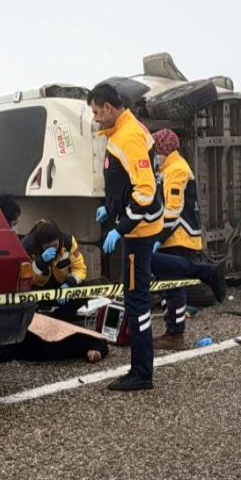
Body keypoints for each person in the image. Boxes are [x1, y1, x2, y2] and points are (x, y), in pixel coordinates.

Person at [89, 81, 165, 392]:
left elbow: (145, 191)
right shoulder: (121, 132)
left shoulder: (129, 136)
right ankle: (140, 369)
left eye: (96, 112)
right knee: (138, 294)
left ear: (109, 108)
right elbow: (125, 182)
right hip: (138, 227)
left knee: (137, 302)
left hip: (139, 232)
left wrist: (121, 229)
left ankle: (141, 372)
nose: (94, 118)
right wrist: (111, 208)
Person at [148, 129, 228, 351]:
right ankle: (173, 331)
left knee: (173, 287)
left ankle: (174, 334)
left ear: (164, 150)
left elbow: (173, 210)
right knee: (169, 286)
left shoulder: (176, 170)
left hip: (178, 236)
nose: (154, 157)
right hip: (176, 236)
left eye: (156, 152)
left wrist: (157, 236)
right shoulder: (169, 169)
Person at [22, 219, 88, 319]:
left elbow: (80, 268)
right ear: (41, 244)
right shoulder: (28, 247)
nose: (53, 249)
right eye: (48, 247)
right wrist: (40, 263)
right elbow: (26, 280)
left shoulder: (68, 243)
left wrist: (69, 284)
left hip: (63, 286)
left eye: (55, 245)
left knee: (80, 296)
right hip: (40, 289)